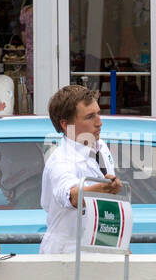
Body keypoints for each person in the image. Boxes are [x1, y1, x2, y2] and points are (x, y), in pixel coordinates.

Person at [40, 84, 122, 255]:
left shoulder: (101, 147)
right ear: (65, 124)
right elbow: (71, 196)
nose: (99, 122)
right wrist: (103, 189)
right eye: (90, 117)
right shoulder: (60, 161)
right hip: (67, 258)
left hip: (97, 250)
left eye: (98, 113)